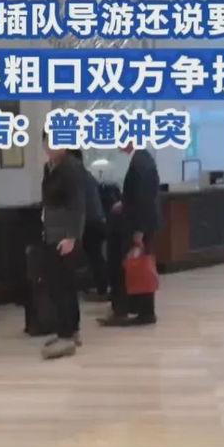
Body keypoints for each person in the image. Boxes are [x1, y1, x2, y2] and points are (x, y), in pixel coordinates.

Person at [99, 143, 161, 327]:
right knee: (137, 265)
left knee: (138, 266)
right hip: (138, 223)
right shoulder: (141, 159)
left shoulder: (141, 163)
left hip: (138, 226)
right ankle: (138, 309)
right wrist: (124, 203)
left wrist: (139, 233)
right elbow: (137, 196)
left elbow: (145, 200)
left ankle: (142, 312)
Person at [41, 132, 86, 360]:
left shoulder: (71, 167)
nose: (50, 146)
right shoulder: (49, 167)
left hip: (65, 236)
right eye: (47, 141)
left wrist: (71, 237)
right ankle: (69, 330)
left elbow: (78, 205)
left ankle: (67, 334)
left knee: (64, 286)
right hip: (51, 233)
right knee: (58, 285)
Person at [67, 149, 108, 301]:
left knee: (95, 257)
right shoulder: (87, 175)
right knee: (95, 257)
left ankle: (102, 290)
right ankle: (101, 288)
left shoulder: (76, 177)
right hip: (97, 220)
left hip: (90, 223)